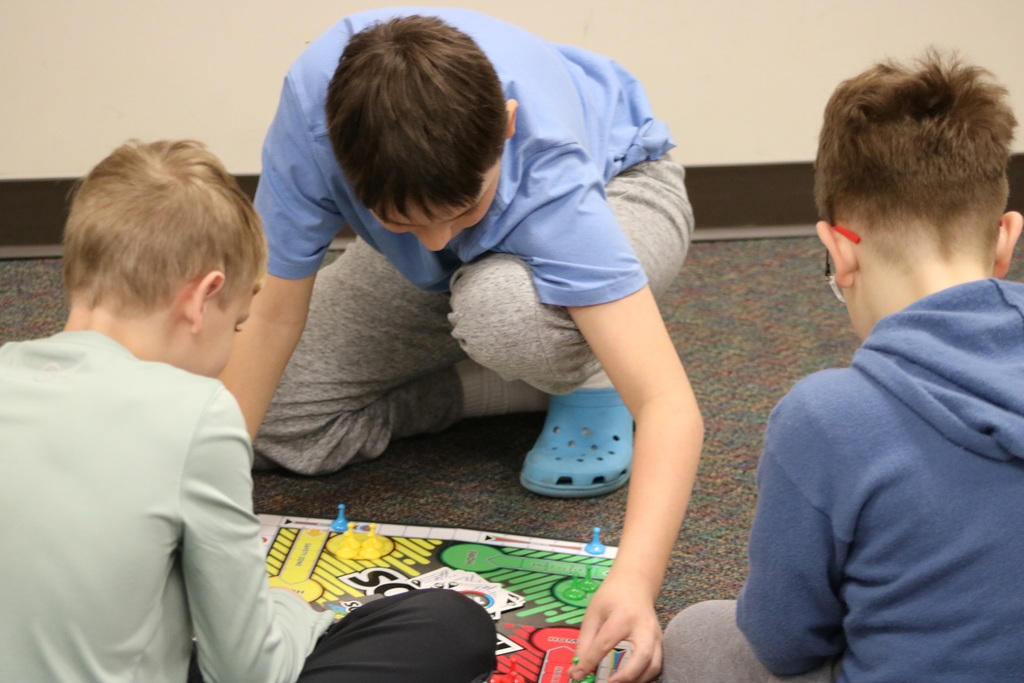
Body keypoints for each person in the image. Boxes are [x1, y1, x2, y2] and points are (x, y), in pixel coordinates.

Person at [222, 9, 704, 682]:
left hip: (622, 188)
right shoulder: (314, 118)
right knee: (277, 419)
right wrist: (207, 499)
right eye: (397, 220)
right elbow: (270, 320)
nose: (440, 240)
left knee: (504, 311)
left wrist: (633, 581)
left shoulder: (546, 166)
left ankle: (593, 368)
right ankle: (520, 381)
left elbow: (668, 404)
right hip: (455, 254)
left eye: (466, 211)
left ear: (505, 127)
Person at [0, 139, 496, 683]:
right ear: (201, 298)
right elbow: (246, 671)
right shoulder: (195, 413)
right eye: (237, 324)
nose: (232, 349)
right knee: (450, 623)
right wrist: (288, 608)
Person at [662, 51, 1024, 683]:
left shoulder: (827, 418)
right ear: (1005, 240)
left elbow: (784, 642)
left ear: (838, 252)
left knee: (697, 635)